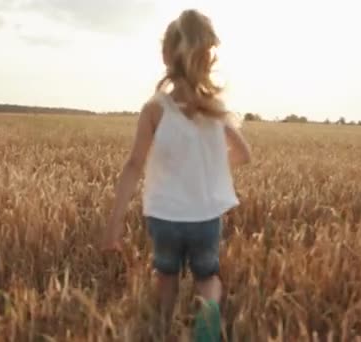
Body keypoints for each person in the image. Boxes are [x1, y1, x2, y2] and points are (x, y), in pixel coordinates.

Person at [101, 8, 252, 341]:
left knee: (166, 277)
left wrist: (113, 224)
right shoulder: (215, 109)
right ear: (205, 56)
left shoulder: (155, 108)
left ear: (166, 55)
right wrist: (208, 170)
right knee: (207, 277)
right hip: (205, 216)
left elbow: (133, 166)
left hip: (164, 216)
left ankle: (163, 329)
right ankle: (208, 319)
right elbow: (245, 154)